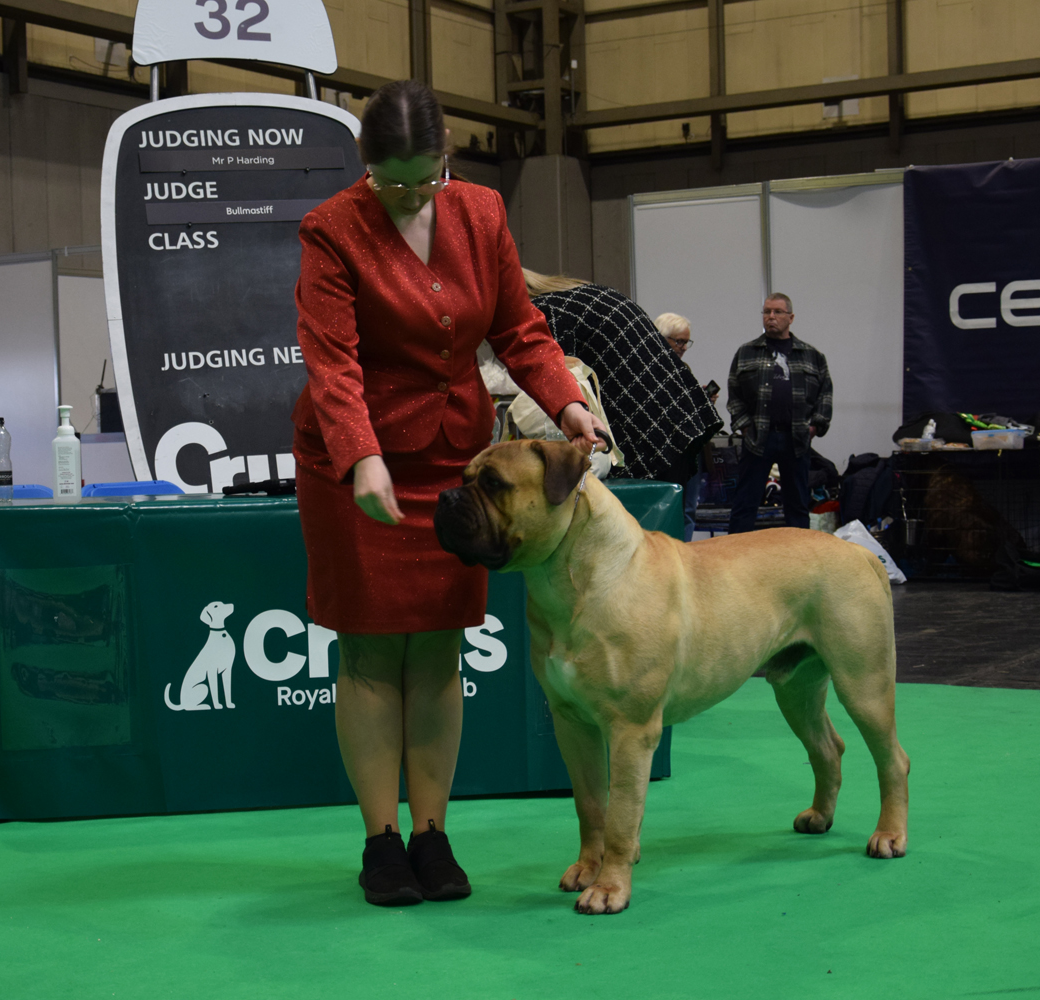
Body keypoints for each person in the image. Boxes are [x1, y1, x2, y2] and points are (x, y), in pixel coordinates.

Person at [291, 80, 606, 907]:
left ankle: (431, 835)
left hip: (453, 465)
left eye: (422, 178)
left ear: (447, 157)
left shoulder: (481, 213)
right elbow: (332, 361)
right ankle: (381, 843)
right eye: (389, 181)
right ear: (365, 165)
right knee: (368, 654)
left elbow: (519, 330)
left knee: (438, 650)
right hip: (354, 461)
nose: (407, 195)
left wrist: (568, 404)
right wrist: (361, 457)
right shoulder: (330, 229)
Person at [522, 272, 721, 488]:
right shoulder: (581, 293)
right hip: (678, 418)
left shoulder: (545, 310)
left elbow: (556, 379)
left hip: (650, 433)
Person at [725, 293, 832, 533]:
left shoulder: (812, 355)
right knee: (744, 505)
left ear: (790, 318)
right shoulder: (746, 352)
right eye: (766, 312)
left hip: (797, 439)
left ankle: (799, 553)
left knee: (798, 506)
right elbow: (734, 394)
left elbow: (825, 395)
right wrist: (745, 427)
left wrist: (814, 427)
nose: (771, 317)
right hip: (757, 438)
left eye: (777, 312)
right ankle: (736, 552)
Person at [654, 312, 719, 541]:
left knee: (689, 509)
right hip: (666, 452)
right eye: (679, 341)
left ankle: (685, 553)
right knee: (669, 508)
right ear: (661, 338)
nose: (683, 348)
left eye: (686, 342)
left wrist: (703, 401)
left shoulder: (684, 368)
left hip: (690, 447)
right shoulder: (651, 370)